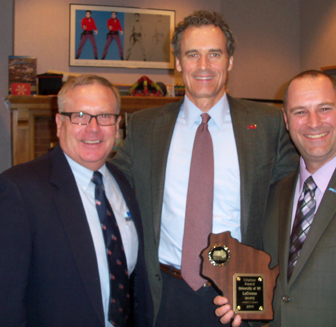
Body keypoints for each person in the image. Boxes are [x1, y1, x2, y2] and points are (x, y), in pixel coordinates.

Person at [111, 10, 298, 327]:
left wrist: (264, 287)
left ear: (230, 61)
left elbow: (290, 209)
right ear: (178, 63)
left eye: (215, 54)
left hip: (238, 292)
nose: (203, 66)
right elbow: (111, 184)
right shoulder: (144, 127)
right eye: (192, 54)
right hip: (165, 292)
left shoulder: (267, 124)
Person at [215, 70, 336, 326]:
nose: (313, 122)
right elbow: (276, 280)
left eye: (324, 108)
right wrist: (243, 303)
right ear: (286, 120)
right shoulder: (276, 192)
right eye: (300, 112)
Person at [0, 75, 153, 327]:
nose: (93, 128)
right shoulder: (19, 189)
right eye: (80, 115)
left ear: (117, 127)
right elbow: (7, 302)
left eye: (104, 116)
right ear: (60, 123)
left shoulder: (123, 184)